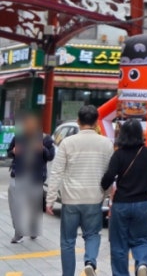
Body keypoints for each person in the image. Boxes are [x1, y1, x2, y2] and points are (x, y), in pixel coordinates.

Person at [46, 105, 114, 276]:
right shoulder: (106, 144)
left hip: (71, 199)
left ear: (78, 121)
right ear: (96, 122)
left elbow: (56, 172)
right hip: (94, 198)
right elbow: (110, 173)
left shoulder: (67, 143)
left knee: (67, 241)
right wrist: (106, 194)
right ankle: (90, 261)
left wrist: (50, 199)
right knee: (92, 235)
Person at [101, 119, 147, 276]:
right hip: (143, 204)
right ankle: (142, 263)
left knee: (118, 244)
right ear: (140, 134)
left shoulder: (118, 155)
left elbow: (109, 177)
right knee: (142, 240)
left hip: (121, 204)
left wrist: (103, 185)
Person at [7, 112, 55, 242]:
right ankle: (18, 232)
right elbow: (9, 152)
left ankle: (33, 228)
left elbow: (51, 156)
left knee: (34, 205)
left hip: (36, 177)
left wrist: (42, 149)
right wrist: (13, 152)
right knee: (15, 204)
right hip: (18, 174)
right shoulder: (18, 137)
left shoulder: (46, 139)